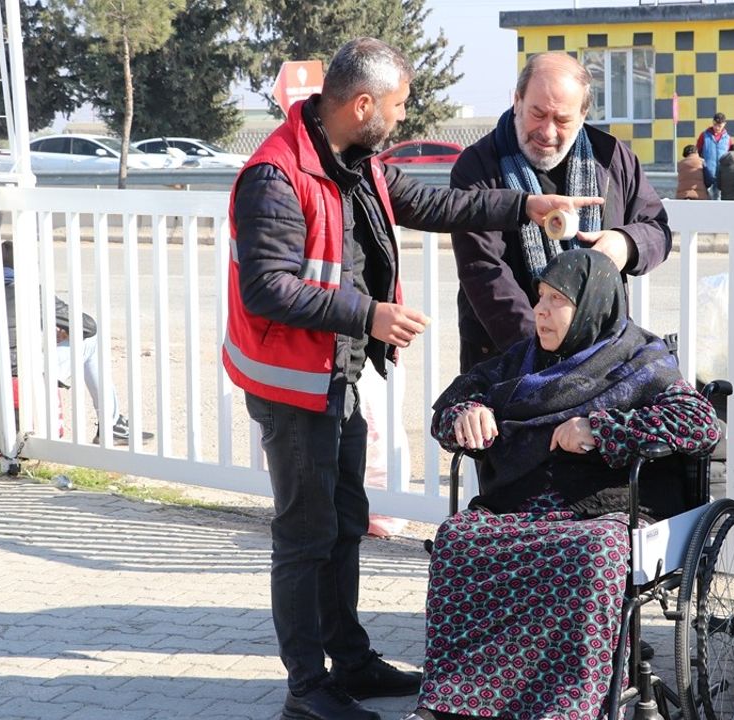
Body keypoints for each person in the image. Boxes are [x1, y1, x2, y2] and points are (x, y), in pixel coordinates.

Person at [225, 38, 604, 720]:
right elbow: (266, 289)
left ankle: (352, 660)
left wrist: (527, 207)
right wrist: (368, 313)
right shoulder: (276, 176)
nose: (401, 120)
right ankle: (307, 690)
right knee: (305, 535)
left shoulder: (352, 158)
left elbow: (436, 206)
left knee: (345, 521)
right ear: (363, 104)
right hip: (291, 386)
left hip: (334, 375)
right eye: (397, 107)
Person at [406, 250, 720, 720]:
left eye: (557, 300)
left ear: (593, 305)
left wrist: (602, 430)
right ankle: (461, 703)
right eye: (539, 298)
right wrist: (466, 414)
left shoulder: (640, 359)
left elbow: (700, 424)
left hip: (608, 507)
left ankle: (567, 704)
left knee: (591, 551)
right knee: (459, 540)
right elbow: (451, 405)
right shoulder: (520, 361)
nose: (541, 311)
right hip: (520, 503)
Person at [449, 52, 671, 372]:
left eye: (563, 120)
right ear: (517, 100)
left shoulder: (613, 159)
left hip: (600, 358)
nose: (548, 132)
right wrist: (541, 353)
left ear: (583, 114)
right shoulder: (478, 167)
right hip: (506, 359)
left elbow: (657, 229)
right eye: (537, 114)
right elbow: (484, 272)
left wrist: (624, 244)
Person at [0, 241, 147, 445]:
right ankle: (112, 425)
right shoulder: (31, 293)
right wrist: (63, 331)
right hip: (23, 377)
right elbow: (88, 327)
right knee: (91, 342)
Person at [697, 112, 731, 200]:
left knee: (717, 199)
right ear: (712, 122)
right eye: (715, 125)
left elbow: (731, 156)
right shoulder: (704, 136)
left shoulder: (728, 139)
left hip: (720, 174)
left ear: (724, 124)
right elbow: (697, 152)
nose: (717, 128)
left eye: (720, 126)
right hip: (707, 174)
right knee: (705, 198)